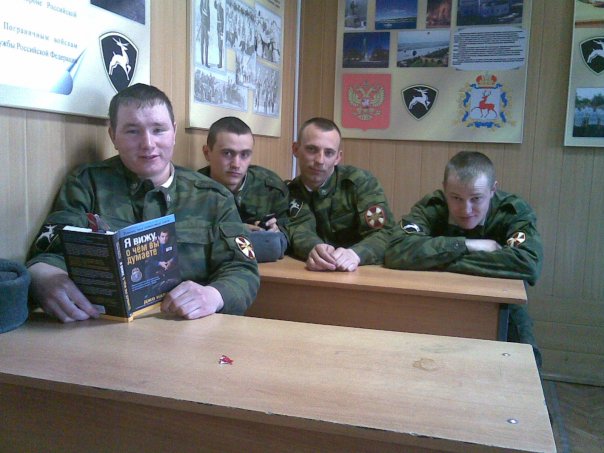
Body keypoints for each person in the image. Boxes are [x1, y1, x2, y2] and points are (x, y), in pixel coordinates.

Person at [26, 83, 259, 323]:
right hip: (103, 327)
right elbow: (51, 253)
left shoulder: (213, 198)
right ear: (113, 135)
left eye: (158, 130)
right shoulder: (87, 185)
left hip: (188, 327)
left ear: (174, 132)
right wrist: (44, 278)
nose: (148, 143)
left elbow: (242, 270)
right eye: (132, 131)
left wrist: (214, 295)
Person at [384, 151, 543, 365]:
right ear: (445, 189)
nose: (466, 210)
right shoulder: (433, 206)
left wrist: (436, 259)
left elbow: (527, 263)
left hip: (501, 306)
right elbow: (396, 250)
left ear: (493, 190)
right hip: (440, 300)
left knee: (525, 359)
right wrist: (467, 245)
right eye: (456, 198)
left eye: (476, 199)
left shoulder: (512, 211)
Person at [287, 117, 395, 272]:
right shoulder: (287, 193)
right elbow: (297, 230)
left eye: (329, 153)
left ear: (338, 157)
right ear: (295, 149)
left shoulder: (360, 183)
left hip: (361, 273)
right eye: (312, 149)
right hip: (311, 272)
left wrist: (356, 254)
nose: (320, 160)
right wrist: (314, 249)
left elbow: (385, 233)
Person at [199, 116, 288, 262]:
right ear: (207, 152)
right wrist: (234, 230)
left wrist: (278, 232)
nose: (236, 164)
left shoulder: (270, 187)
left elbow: (292, 228)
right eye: (227, 153)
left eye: (244, 154)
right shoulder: (190, 190)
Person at [200, 0, 210, 67]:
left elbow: (209, 17)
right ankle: (202, 61)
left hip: (206, 26)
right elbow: (200, 10)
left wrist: (209, 29)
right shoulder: (202, 2)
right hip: (202, 25)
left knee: (206, 44)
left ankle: (206, 62)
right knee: (202, 43)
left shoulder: (207, 4)